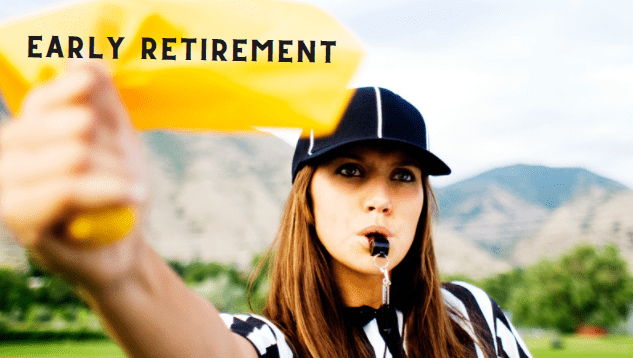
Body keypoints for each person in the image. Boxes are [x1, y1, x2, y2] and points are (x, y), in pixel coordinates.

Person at [0, 61, 532, 358]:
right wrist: (121, 269)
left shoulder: (471, 314)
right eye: (349, 170)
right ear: (307, 200)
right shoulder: (270, 343)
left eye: (403, 176)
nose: (381, 198)